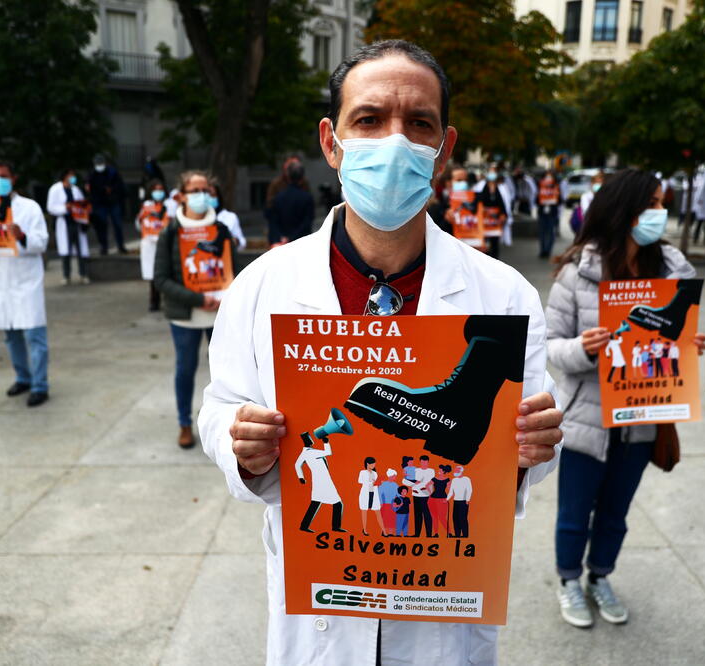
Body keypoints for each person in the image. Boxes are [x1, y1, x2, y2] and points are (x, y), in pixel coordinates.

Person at [199, 40, 563, 665]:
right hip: (320, 599)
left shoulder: (504, 296)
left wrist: (532, 448)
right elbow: (222, 404)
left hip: (441, 608)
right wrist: (240, 440)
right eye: (368, 120)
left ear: (443, 149)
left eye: (418, 123)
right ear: (331, 140)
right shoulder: (262, 286)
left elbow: (519, 445)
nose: (394, 142)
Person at [545, 168, 705, 629]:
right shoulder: (579, 271)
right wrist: (582, 348)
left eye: (662, 202)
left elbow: (677, 333)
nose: (661, 212)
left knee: (615, 513)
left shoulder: (672, 270)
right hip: (585, 419)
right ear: (625, 210)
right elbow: (550, 344)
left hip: (643, 414)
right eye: (651, 204)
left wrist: (688, 345)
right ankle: (569, 582)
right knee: (575, 513)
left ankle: (600, 577)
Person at [154, 170, 231, 449]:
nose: (201, 196)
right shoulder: (170, 231)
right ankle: (184, 423)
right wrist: (197, 300)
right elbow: (161, 278)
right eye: (194, 190)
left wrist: (227, 296)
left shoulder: (220, 229)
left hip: (218, 315)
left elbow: (230, 270)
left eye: (205, 190)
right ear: (182, 196)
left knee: (224, 374)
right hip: (185, 317)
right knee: (185, 370)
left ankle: (222, 425)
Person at [0, 160, 50, 407]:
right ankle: (22, 377)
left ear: (13, 178)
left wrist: (21, 236)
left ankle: (40, 385)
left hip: (25, 281)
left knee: (35, 335)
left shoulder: (29, 207)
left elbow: (41, 242)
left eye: (3, 176)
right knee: (11, 335)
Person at [46, 169, 90, 285]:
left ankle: (83, 274)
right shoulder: (55, 189)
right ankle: (66, 275)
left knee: (81, 250)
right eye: (70, 175)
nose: (72, 177)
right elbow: (50, 207)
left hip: (77, 223)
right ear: (65, 176)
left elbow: (82, 204)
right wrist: (65, 208)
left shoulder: (75, 189)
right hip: (65, 223)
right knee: (66, 251)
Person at [137, 179, 170, 311]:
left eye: (160, 189)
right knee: (151, 273)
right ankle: (153, 300)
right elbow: (140, 223)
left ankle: (166, 299)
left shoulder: (169, 205)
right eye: (155, 189)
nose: (158, 192)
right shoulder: (146, 206)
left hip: (163, 242)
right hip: (149, 243)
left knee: (165, 272)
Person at [86, 153, 127, 255]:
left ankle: (120, 246)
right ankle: (103, 246)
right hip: (99, 203)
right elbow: (90, 189)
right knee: (101, 225)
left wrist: (111, 190)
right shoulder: (92, 174)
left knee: (117, 224)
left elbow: (120, 186)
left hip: (113, 202)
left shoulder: (112, 172)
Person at [268, 160, 315, 243]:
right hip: (301, 240)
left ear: (288, 175)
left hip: (282, 241)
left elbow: (273, 220)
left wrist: (282, 237)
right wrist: (291, 238)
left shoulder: (278, 197)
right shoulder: (307, 197)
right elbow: (307, 222)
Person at [475, 165, 510, 259]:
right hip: (484, 220)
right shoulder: (481, 186)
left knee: (494, 243)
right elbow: (477, 201)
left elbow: (504, 203)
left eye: (493, 172)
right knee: (484, 244)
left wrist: (503, 214)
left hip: (495, 221)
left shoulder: (501, 188)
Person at [209, 181, 247, 250]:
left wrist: (234, 240)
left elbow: (242, 243)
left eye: (212, 195)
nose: (208, 198)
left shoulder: (230, 217)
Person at [406, 454, 435, 538]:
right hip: (416, 495)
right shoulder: (416, 470)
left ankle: (429, 535)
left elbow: (431, 483)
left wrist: (430, 493)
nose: (423, 464)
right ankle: (417, 534)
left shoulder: (431, 471)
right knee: (417, 515)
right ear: (420, 462)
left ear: (428, 462)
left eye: (425, 463)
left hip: (426, 496)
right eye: (422, 462)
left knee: (427, 515)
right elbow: (412, 481)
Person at [357, 457, 384, 536]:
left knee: (377, 512)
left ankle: (383, 530)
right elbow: (359, 481)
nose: (374, 465)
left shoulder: (375, 473)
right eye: (372, 464)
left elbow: (376, 483)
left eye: (374, 463)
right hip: (365, 494)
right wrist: (370, 482)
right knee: (364, 511)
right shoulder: (362, 472)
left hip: (374, 493)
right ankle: (364, 530)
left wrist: (379, 483)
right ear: (367, 464)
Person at [537, 171, 561, 258]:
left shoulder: (556, 187)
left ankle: (548, 250)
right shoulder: (540, 186)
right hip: (542, 212)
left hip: (552, 212)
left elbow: (560, 201)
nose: (548, 179)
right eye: (547, 177)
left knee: (551, 232)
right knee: (542, 232)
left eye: (550, 177)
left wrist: (556, 195)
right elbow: (536, 200)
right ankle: (542, 250)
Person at [447, 465, 472, 538]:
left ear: (461, 471)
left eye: (457, 470)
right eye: (455, 470)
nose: (455, 471)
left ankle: (465, 535)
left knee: (463, 518)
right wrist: (447, 499)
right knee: (455, 518)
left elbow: (469, 490)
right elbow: (451, 492)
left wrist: (467, 499)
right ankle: (457, 534)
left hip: (464, 502)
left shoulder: (466, 479)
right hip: (456, 501)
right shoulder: (454, 480)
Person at [428, 464, 452, 537]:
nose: (438, 471)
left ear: (443, 471)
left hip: (442, 500)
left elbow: (451, 491)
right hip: (432, 499)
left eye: (440, 470)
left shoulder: (448, 480)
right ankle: (436, 533)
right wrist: (430, 493)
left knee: (442, 517)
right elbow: (427, 485)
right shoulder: (434, 479)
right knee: (434, 517)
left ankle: (449, 533)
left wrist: (447, 499)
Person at [377, 469, 399, 537]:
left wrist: (397, 503)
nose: (395, 477)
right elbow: (379, 494)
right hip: (385, 504)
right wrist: (380, 503)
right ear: (391, 476)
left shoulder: (395, 485)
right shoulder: (383, 484)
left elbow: (398, 495)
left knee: (392, 519)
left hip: (393, 504)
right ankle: (384, 532)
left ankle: (390, 533)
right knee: (384, 518)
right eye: (394, 476)